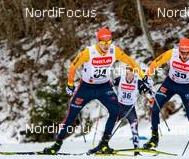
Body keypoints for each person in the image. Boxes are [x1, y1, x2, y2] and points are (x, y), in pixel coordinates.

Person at [43, 27, 152, 155]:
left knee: (115, 111)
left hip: (104, 87)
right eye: (103, 42)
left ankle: (104, 143)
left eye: (109, 42)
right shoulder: (89, 52)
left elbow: (131, 62)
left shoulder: (114, 50)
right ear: (98, 41)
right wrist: (70, 84)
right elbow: (73, 66)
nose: (106, 45)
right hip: (86, 88)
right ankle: (56, 145)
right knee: (71, 115)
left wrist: (143, 77)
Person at [143, 38, 189, 156]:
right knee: (155, 108)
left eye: (187, 52)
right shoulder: (172, 53)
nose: (185, 55)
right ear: (179, 50)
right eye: (182, 52)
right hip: (169, 84)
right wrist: (147, 76)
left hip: (186, 88)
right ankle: (154, 139)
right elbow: (155, 63)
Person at [113, 67, 150, 156]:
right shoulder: (120, 79)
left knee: (134, 128)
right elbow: (110, 84)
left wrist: (145, 88)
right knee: (111, 125)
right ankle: (103, 145)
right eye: (128, 74)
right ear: (126, 74)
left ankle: (136, 150)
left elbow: (146, 89)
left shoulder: (137, 81)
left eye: (132, 74)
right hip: (119, 107)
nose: (130, 76)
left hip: (130, 108)